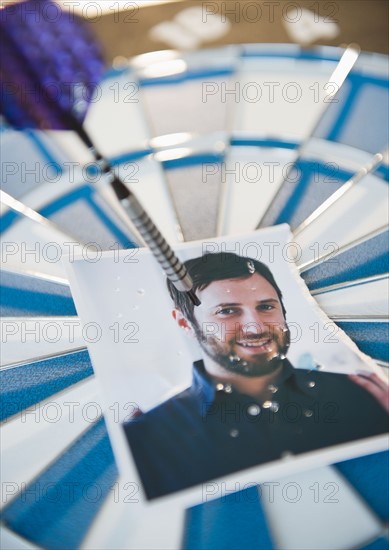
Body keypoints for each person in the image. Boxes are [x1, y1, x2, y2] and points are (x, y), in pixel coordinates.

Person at [123, 253, 388, 500]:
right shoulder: (146, 442)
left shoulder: (362, 395)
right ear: (184, 323)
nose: (255, 326)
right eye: (227, 311)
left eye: (266, 306)